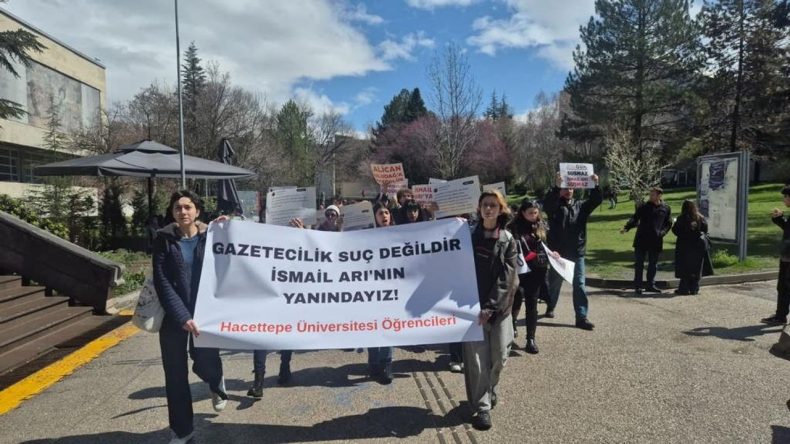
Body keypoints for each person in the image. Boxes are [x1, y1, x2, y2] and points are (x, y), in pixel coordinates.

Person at [153, 190, 227, 444]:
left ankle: (215, 382)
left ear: (197, 211)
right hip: (175, 317)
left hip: (206, 315)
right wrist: (182, 316)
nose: (182, 212)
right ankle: (182, 431)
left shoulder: (212, 236)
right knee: (175, 376)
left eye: (187, 206)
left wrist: (230, 228)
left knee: (206, 360)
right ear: (172, 212)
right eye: (177, 208)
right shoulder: (163, 240)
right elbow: (162, 282)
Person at [463, 190, 519, 431]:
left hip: (500, 310)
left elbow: (509, 279)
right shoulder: (465, 237)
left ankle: (490, 388)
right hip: (469, 310)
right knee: (477, 362)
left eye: (493, 205)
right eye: (485, 205)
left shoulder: (508, 240)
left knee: (499, 357)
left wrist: (491, 307)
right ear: (479, 208)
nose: (488, 209)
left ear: (500, 209)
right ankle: (481, 407)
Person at [543, 171, 602, 330]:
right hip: (558, 254)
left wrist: (595, 185)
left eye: (571, 188)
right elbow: (547, 204)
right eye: (565, 187)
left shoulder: (581, 206)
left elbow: (596, 200)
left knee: (580, 284)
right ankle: (550, 306)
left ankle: (581, 317)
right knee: (554, 284)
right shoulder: (555, 206)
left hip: (577, 252)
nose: (568, 190)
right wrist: (556, 186)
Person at [508, 199, 558, 354]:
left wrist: (553, 253)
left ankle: (531, 339)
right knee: (517, 297)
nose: (534, 216)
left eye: (536, 213)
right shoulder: (513, 227)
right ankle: (512, 323)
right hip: (519, 269)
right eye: (530, 213)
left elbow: (546, 245)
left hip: (537, 270)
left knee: (532, 303)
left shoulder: (541, 226)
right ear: (523, 213)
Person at [620, 188, 672, 294]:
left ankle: (650, 285)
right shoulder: (643, 207)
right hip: (641, 239)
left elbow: (668, 223)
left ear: (659, 196)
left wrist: (662, 233)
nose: (650, 196)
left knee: (653, 264)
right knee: (639, 264)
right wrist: (627, 227)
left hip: (656, 240)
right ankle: (638, 285)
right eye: (650, 194)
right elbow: (634, 218)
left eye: (653, 195)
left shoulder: (666, 208)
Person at [366, 203, 396, 384]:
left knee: (388, 325)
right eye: (380, 213)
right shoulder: (366, 235)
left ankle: (386, 363)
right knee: (370, 326)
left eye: (386, 212)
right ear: (374, 217)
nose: (384, 215)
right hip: (370, 288)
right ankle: (373, 362)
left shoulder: (398, 234)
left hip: (391, 287)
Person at [760, 186, 790, 325]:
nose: (784, 199)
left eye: (785, 197)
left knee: (785, 287)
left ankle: (780, 316)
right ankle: (780, 315)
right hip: (786, 256)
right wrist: (780, 219)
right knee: (782, 286)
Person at [672, 199, 713, 295]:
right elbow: (705, 230)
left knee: (685, 267)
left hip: (685, 245)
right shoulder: (700, 218)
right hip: (698, 246)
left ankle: (684, 288)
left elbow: (676, 231)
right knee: (696, 267)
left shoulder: (681, 218)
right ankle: (694, 288)